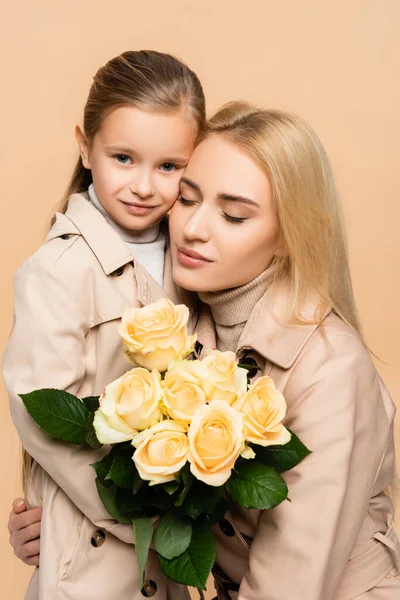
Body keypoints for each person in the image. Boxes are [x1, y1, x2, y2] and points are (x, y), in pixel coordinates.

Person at [9, 101, 400, 598]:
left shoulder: (330, 368)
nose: (194, 229)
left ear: (287, 236)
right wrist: (66, 526)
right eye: (188, 200)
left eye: (233, 216)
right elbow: (153, 483)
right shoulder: (182, 325)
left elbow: (291, 585)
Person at [3, 48, 205, 600]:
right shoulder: (59, 270)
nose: (144, 186)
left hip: (168, 554)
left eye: (169, 166)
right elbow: (44, 416)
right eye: (123, 158)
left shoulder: (197, 258)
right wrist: (146, 517)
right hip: (97, 560)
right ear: (85, 146)